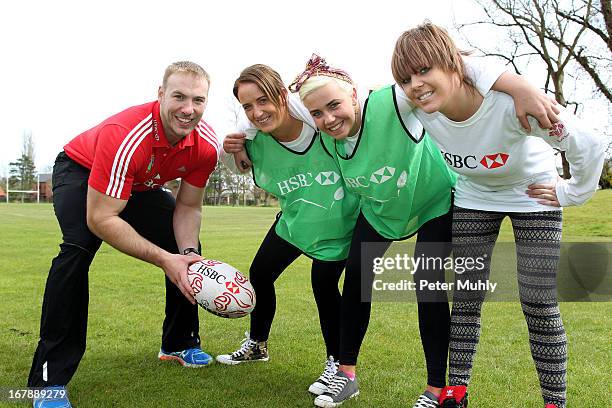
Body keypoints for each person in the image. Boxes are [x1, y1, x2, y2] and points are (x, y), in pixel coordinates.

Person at [290, 54, 560, 408]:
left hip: (435, 202)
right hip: (382, 210)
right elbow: (275, 111)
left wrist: (519, 85)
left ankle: (435, 389)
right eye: (317, 113)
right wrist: (243, 141)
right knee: (356, 276)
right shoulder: (322, 130)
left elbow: (450, 65)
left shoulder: (394, 101)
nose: (327, 118)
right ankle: (346, 374)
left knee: (427, 283)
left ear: (355, 95)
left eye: (334, 105)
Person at [391, 22, 605, 408]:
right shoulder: (415, 104)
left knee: (538, 301)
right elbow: (350, 103)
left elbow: (589, 144)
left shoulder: (510, 103)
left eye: (424, 70)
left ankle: (554, 402)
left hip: (533, 197)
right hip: (475, 198)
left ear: (455, 65)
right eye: (406, 78)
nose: (415, 84)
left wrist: (569, 193)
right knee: (467, 297)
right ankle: (455, 393)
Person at [28, 61, 220, 408]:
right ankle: (48, 382)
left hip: (139, 184)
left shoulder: (205, 145)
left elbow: (188, 208)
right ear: (161, 94)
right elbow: (102, 218)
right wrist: (165, 260)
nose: (188, 109)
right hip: (82, 171)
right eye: (178, 96)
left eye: (198, 100)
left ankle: (178, 343)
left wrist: (186, 253)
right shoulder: (127, 134)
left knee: (186, 252)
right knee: (78, 247)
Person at [216, 64, 360, 397]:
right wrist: (230, 149)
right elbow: (233, 163)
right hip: (295, 221)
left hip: (339, 222)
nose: (256, 112)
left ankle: (338, 365)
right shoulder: (254, 141)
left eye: (262, 100)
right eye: (247, 107)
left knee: (323, 284)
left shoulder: (322, 124)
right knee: (260, 273)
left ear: (283, 94)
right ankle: (257, 345)